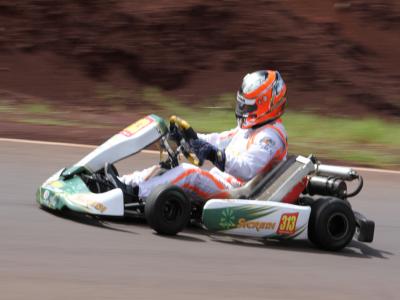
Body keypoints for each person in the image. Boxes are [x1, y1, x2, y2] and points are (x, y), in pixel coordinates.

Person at [106, 70, 288, 201]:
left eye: (248, 107)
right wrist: (189, 137)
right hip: (222, 182)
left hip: (239, 193)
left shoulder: (270, 136)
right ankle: (120, 183)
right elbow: (218, 140)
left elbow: (248, 168)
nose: (243, 111)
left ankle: (132, 194)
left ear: (268, 105)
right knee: (169, 166)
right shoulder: (251, 128)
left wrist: (213, 154)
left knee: (190, 173)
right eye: (242, 105)